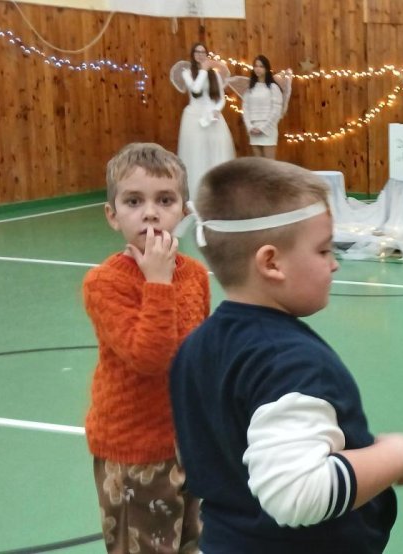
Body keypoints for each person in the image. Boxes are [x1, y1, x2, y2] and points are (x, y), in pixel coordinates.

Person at [168, 158, 403, 552]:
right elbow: (298, 493)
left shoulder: (195, 348)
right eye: (323, 250)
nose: (334, 264)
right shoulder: (290, 363)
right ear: (271, 263)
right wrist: (394, 456)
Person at [82, 142, 209, 553]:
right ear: (112, 215)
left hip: (186, 444)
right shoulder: (105, 283)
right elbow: (150, 358)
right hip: (134, 454)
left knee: (194, 542)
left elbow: (197, 357)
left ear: (183, 212)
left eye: (165, 200)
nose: (150, 213)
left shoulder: (195, 275)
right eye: (134, 201)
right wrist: (157, 282)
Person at [169, 42, 235, 199]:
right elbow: (196, 89)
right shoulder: (187, 73)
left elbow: (220, 97)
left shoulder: (215, 75)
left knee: (216, 152)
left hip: (213, 118)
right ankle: (197, 190)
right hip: (194, 117)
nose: (200, 55)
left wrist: (216, 110)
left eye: (203, 52)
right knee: (197, 153)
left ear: (207, 54)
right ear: (193, 55)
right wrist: (204, 70)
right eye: (197, 52)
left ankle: (217, 190)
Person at [227, 55, 292, 159]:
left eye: (261, 66)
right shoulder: (250, 89)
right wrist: (250, 127)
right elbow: (246, 109)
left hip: (268, 129)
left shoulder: (273, 88)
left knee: (269, 164)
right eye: (256, 66)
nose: (258, 69)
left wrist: (263, 128)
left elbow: (276, 111)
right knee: (259, 163)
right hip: (253, 129)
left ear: (266, 69)